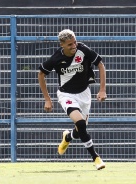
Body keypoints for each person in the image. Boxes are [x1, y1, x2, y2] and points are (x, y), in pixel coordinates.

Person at [38, 29, 107, 170]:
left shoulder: (83, 50)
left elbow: (100, 65)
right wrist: (47, 99)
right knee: (81, 123)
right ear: (62, 45)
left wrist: (102, 89)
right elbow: (41, 74)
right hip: (66, 95)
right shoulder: (56, 58)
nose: (74, 46)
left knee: (80, 129)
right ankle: (96, 158)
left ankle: (68, 137)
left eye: (74, 42)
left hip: (84, 94)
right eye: (70, 44)